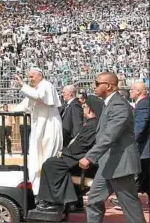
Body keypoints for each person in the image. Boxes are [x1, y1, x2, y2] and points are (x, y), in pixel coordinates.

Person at [79, 72, 146, 223]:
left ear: (108, 86)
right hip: (107, 163)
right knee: (93, 201)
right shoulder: (109, 103)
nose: (94, 87)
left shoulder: (119, 105)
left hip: (120, 164)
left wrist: (90, 156)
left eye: (97, 84)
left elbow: (110, 135)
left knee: (130, 208)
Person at [36, 95, 103, 212]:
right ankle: (70, 201)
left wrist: (63, 153)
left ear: (90, 109)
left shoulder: (93, 125)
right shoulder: (90, 123)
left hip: (81, 160)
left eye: (85, 106)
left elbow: (80, 147)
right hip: (77, 156)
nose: (83, 109)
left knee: (51, 165)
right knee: (51, 162)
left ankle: (54, 202)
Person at [14, 67, 63, 196]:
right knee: (37, 159)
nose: (30, 79)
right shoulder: (33, 90)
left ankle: (48, 192)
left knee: (47, 159)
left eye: (32, 77)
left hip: (49, 127)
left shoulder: (46, 85)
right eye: (29, 77)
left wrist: (22, 85)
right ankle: (38, 191)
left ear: (40, 76)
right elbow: (24, 105)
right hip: (38, 129)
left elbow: (39, 97)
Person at [111, 82, 150, 209]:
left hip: (144, 149)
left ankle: (126, 199)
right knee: (146, 177)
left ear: (139, 91)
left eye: (132, 89)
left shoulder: (144, 104)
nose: (130, 92)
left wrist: (130, 142)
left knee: (138, 176)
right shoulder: (142, 103)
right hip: (145, 149)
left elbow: (139, 126)